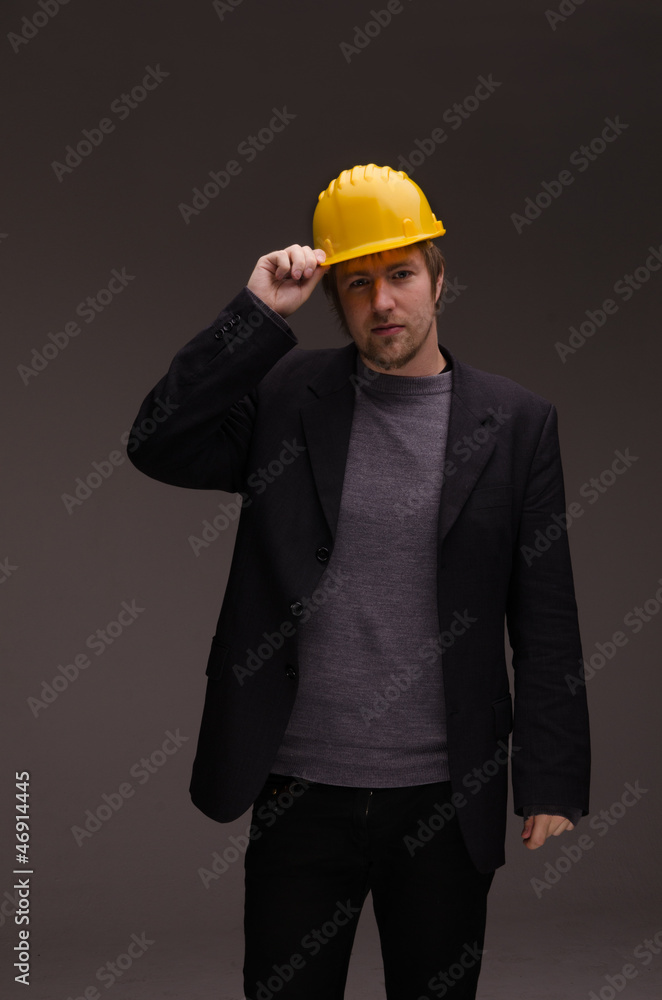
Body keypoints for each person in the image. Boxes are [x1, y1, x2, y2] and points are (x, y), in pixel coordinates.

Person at [127, 163, 590, 1000]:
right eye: (358, 283)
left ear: (438, 279)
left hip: (446, 795)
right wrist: (256, 315)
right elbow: (159, 442)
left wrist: (550, 776)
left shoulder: (518, 424)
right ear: (336, 300)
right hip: (298, 785)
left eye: (401, 275)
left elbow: (546, 613)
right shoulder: (284, 394)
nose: (382, 302)